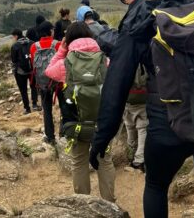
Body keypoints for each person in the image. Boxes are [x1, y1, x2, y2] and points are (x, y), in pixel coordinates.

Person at [89, 0, 194, 218]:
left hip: (170, 121)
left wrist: (102, 136)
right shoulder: (185, 3)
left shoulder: (138, 20)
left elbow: (117, 83)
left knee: (156, 186)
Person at [45, 21, 116, 202]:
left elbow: (48, 71)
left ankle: (83, 205)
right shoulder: (105, 61)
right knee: (105, 160)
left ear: (68, 41)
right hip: (102, 124)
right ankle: (109, 204)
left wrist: (61, 50)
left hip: (75, 125)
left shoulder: (65, 64)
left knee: (79, 161)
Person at [30, 21, 64, 145]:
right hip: (58, 83)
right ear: (50, 31)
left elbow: (33, 65)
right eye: (53, 29)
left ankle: (50, 137)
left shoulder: (34, 47)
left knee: (47, 110)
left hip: (43, 83)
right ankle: (63, 133)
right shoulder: (58, 44)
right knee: (64, 108)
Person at [10, 29, 39, 114]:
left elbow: (13, 60)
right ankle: (35, 104)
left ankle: (27, 108)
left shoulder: (15, 46)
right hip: (32, 70)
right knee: (34, 87)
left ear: (16, 36)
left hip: (20, 72)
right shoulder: (32, 43)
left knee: (23, 90)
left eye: (13, 37)